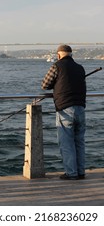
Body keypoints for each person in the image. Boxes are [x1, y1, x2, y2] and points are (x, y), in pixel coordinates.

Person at [41, 44, 86, 180]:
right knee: (79, 142)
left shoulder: (57, 66)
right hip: (81, 108)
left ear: (59, 55)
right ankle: (81, 172)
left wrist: (57, 84)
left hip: (65, 108)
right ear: (71, 55)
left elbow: (45, 85)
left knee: (66, 143)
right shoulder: (80, 68)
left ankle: (71, 173)